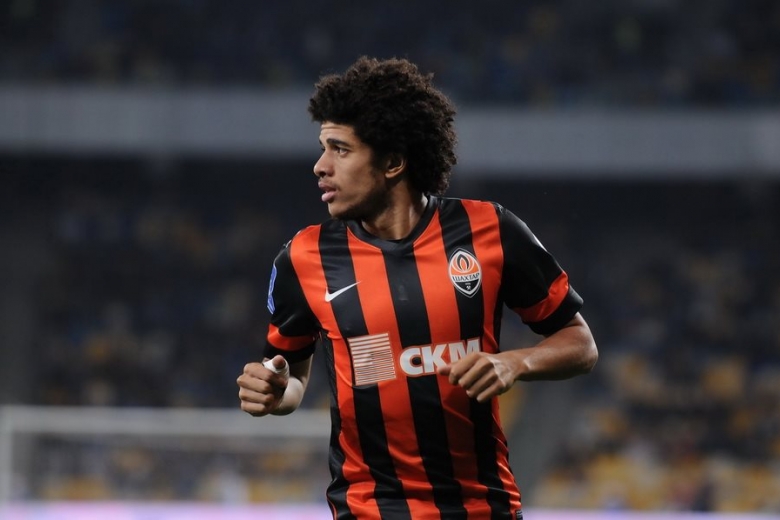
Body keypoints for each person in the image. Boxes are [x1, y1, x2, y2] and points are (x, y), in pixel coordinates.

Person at [237, 56, 598, 520]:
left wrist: (515, 362)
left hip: (482, 509)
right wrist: (273, 394)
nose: (320, 166)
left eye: (340, 150)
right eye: (323, 148)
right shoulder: (304, 257)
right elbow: (291, 378)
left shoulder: (489, 229)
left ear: (392, 162)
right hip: (369, 511)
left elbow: (581, 345)